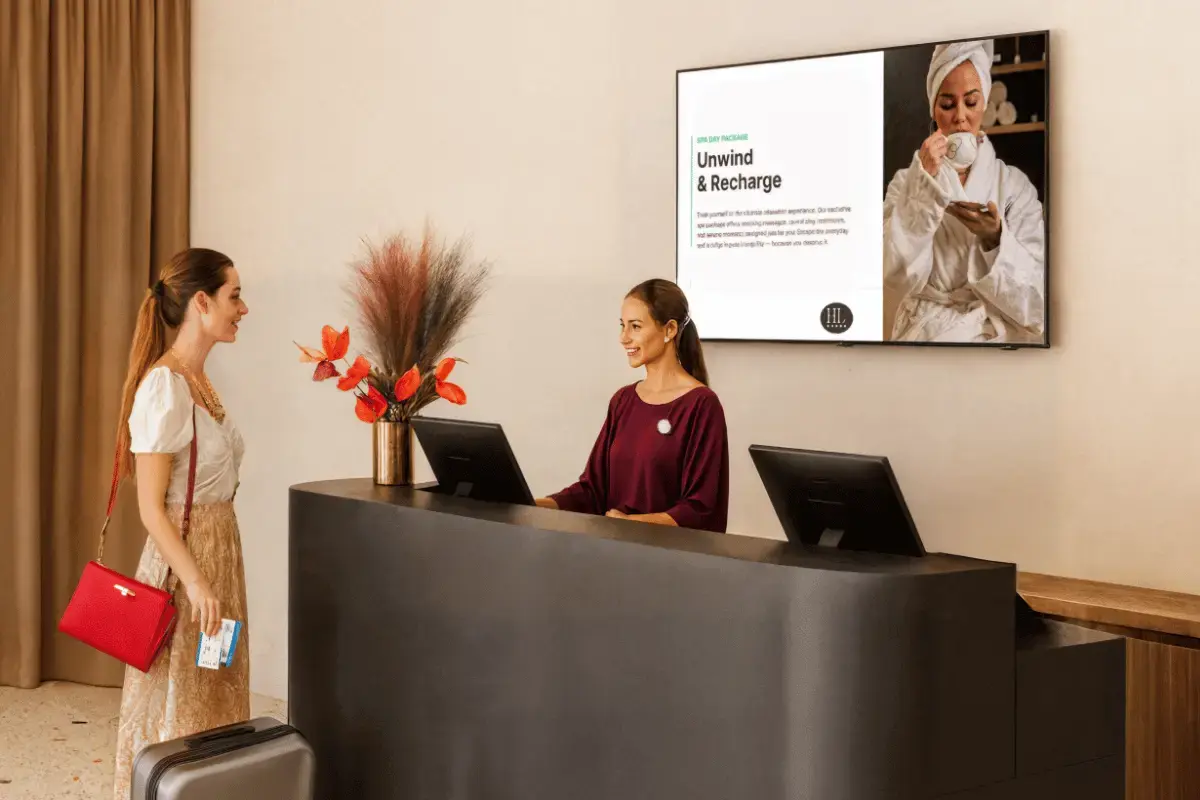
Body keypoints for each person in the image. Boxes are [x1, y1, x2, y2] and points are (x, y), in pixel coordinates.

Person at [111, 248, 250, 799]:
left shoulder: (201, 382)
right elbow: (150, 507)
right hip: (185, 567)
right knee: (179, 707)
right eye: (234, 295)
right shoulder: (165, 386)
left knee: (212, 698)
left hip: (220, 557)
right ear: (201, 301)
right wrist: (195, 582)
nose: (243, 308)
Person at [883, 39, 1045, 344]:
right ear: (933, 108)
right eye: (947, 104)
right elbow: (894, 276)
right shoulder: (907, 181)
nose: (959, 116)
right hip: (924, 334)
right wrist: (924, 185)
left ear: (984, 103)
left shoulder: (1014, 187)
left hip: (991, 337)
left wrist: (995, 240)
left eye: (971, 103)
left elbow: (1037, 303)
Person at [536, 279, 730, 533]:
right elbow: (593, 490)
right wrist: (533, 505)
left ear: (669, 330)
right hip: (616, 552)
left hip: (669, 562)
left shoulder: (702, 405)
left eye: (635, 327)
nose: (623, 338)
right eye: (622, 326)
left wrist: (631, 524)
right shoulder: (623, 401)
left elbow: (700, 510)